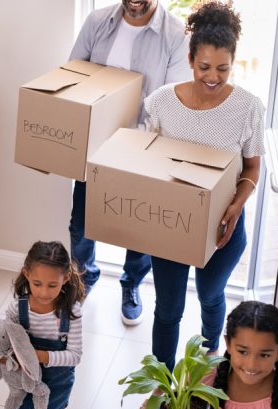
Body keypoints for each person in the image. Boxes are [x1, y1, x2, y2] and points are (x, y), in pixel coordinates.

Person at [142, 1, 264, 370]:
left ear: (233, 64)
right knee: (168, 310)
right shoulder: (162, 101)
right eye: (204, 67)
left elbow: (253, 167)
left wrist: (236, 206)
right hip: (172, 224)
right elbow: (147, 160)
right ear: (191, 59)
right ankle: (161, 384)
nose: (213, 77)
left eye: (223, 69)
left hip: (224, 225)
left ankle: (212, 363)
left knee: (211, 296)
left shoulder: (248, 107)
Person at [68, 0, 192, 325]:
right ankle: (82, 281)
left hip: (144, 149)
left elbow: (175, 103)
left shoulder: (175, 35)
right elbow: (72, 75)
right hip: (95, 148)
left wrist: (129, 138)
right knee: (81, 225)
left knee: (140, 231)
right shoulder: (96, 22)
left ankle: (131, 284)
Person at [5, 241, 85, 409]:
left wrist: (39, 356)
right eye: (37, 283)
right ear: (27, 274)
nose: (43, 292)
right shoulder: (16, 308)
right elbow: (6, 341)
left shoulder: (71, 311)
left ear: (66, 278)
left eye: (52, 285)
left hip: (59, 380)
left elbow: (75, 355)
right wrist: (8, 358)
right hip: (27, 384)